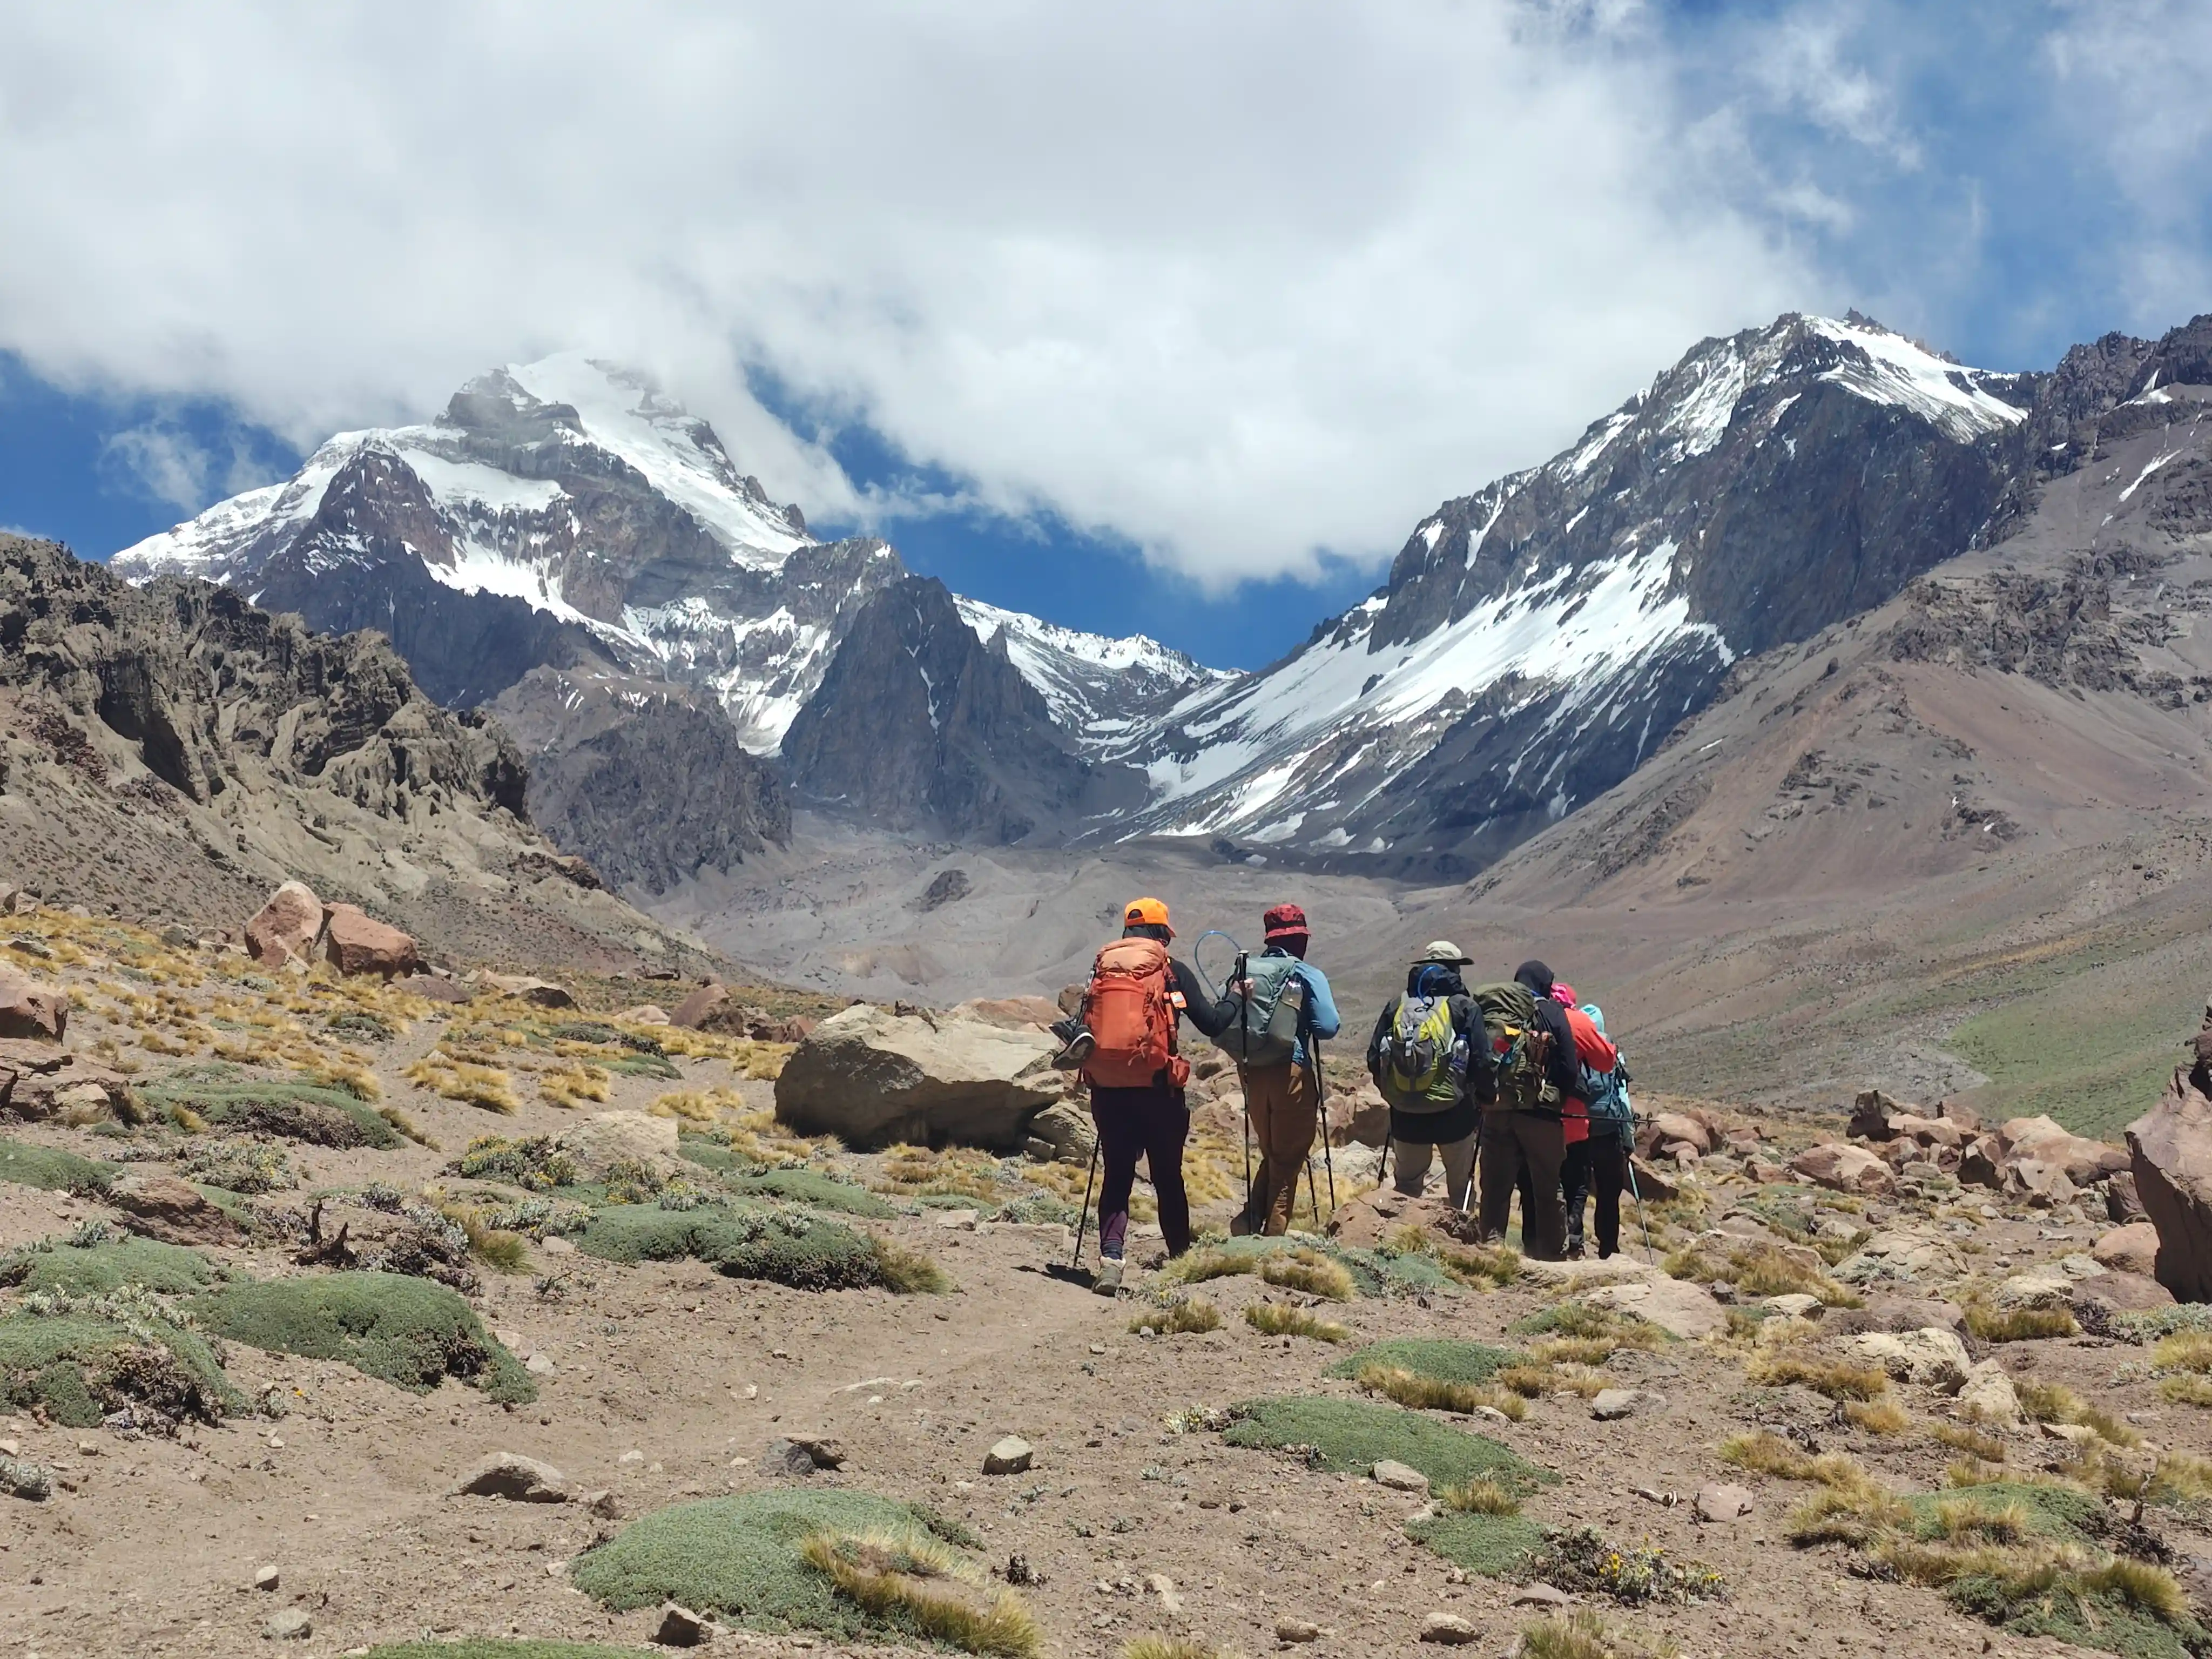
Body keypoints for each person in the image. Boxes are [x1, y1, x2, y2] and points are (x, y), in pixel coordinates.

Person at [1074, 896, 1235, 1295]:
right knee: (1167, 1178)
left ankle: (1111, 1260)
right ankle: (1181, 1260)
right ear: (1162, 933)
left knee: (1117, 1176)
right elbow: (1213, 1022)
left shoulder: (1102, 969)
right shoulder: (1170, 969)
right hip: (1158, 1092)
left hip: (1108, 1090)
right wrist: (1237, 997)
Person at [1228, 903, 1341, 1235]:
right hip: (1290, 1070)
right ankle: (1273, 1236)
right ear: (1300, 939)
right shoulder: (1306, 973)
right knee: (1289, 1156)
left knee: (1274, 1151)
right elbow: (1328, 1027)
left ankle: (1249, 1221)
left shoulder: (1248, 970)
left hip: (1251, 1072)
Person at [1366, 941, 1496, 1206]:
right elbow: (1482, 1061)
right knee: (1460, 1187)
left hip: (1405, 1115)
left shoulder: (1398, 1005)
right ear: (1454, 970)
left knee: (1406, 1187)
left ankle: (1401, 1230)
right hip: (1455, 1114)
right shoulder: (1464, 1007)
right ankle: (1461, 1231)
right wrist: (1486, 1096)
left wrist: (1395, 1092)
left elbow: (1374, 1058)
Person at [1474, 959, 1581, 1258]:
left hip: (1498, 1110)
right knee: (1547, 1187)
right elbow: (1569, 1068)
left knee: (1495, 1187)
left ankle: (1492, 1251)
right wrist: (1554, 1098)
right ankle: (1551, 1255)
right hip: (1540, 1116)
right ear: (1544, 984)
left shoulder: (1497, 1010)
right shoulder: (1552, 1012)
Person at [1561, 1001, 1630, 1259]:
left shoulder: (1574, 1048)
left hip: (1578, 1127)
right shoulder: (1611, 1052)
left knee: (1575, 1187)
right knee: (1608, 1191)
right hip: (1609, 1130)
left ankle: (1575, 1242)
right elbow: (1623, 1099)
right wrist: (1628, 1139)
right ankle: (1608, 1246)